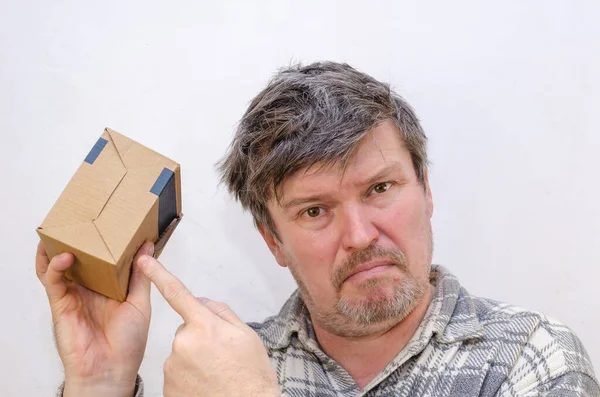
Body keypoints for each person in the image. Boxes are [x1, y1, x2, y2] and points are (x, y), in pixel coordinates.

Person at [37, 61, 599, 397]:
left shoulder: (530, 357)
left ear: (426, 191)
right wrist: (100, 384)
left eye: (380, 189)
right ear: (272, 241)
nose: (359, 234)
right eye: (315, 211)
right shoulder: (224, 367)